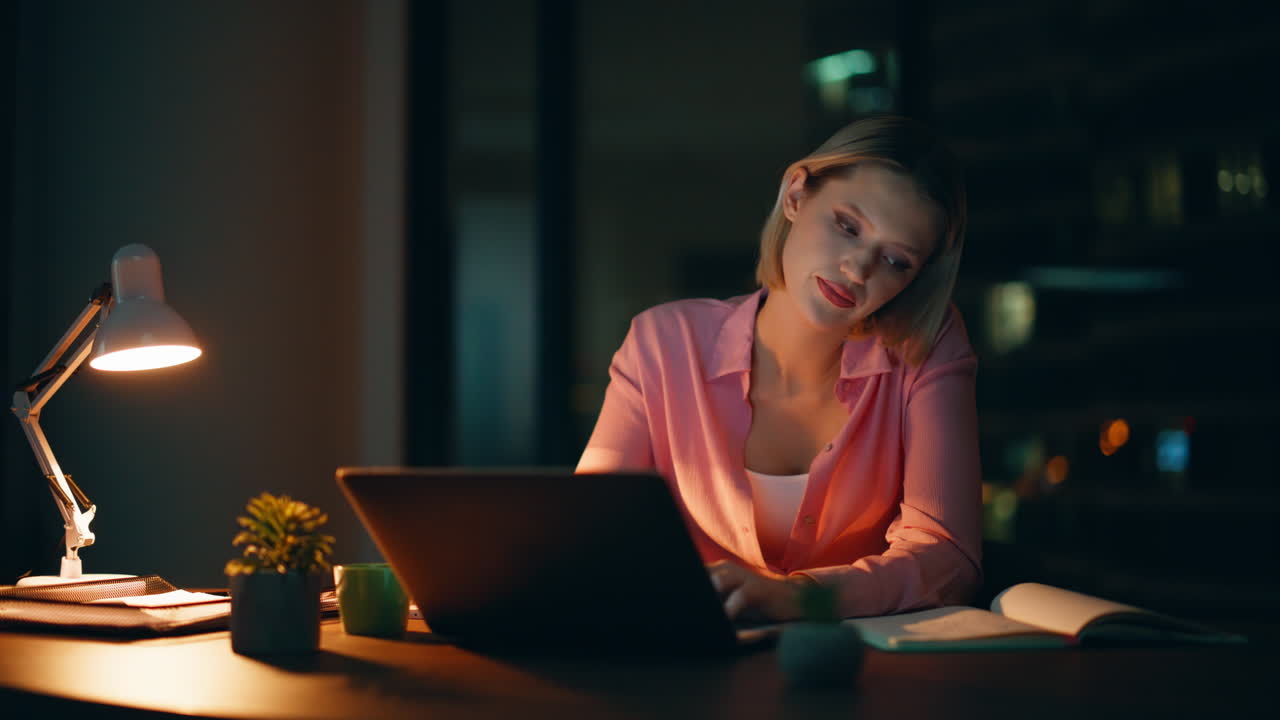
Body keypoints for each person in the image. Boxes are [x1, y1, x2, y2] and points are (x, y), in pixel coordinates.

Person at [577, 114, 981, 622]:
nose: (857, 270)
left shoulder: (927, 347)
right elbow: (588, 537)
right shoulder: (664, 343)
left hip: (854, 680)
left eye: (896, 261)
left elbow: (947, 557)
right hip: (686, 670)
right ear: (795, 194)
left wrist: (799, 598)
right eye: (847, 226)